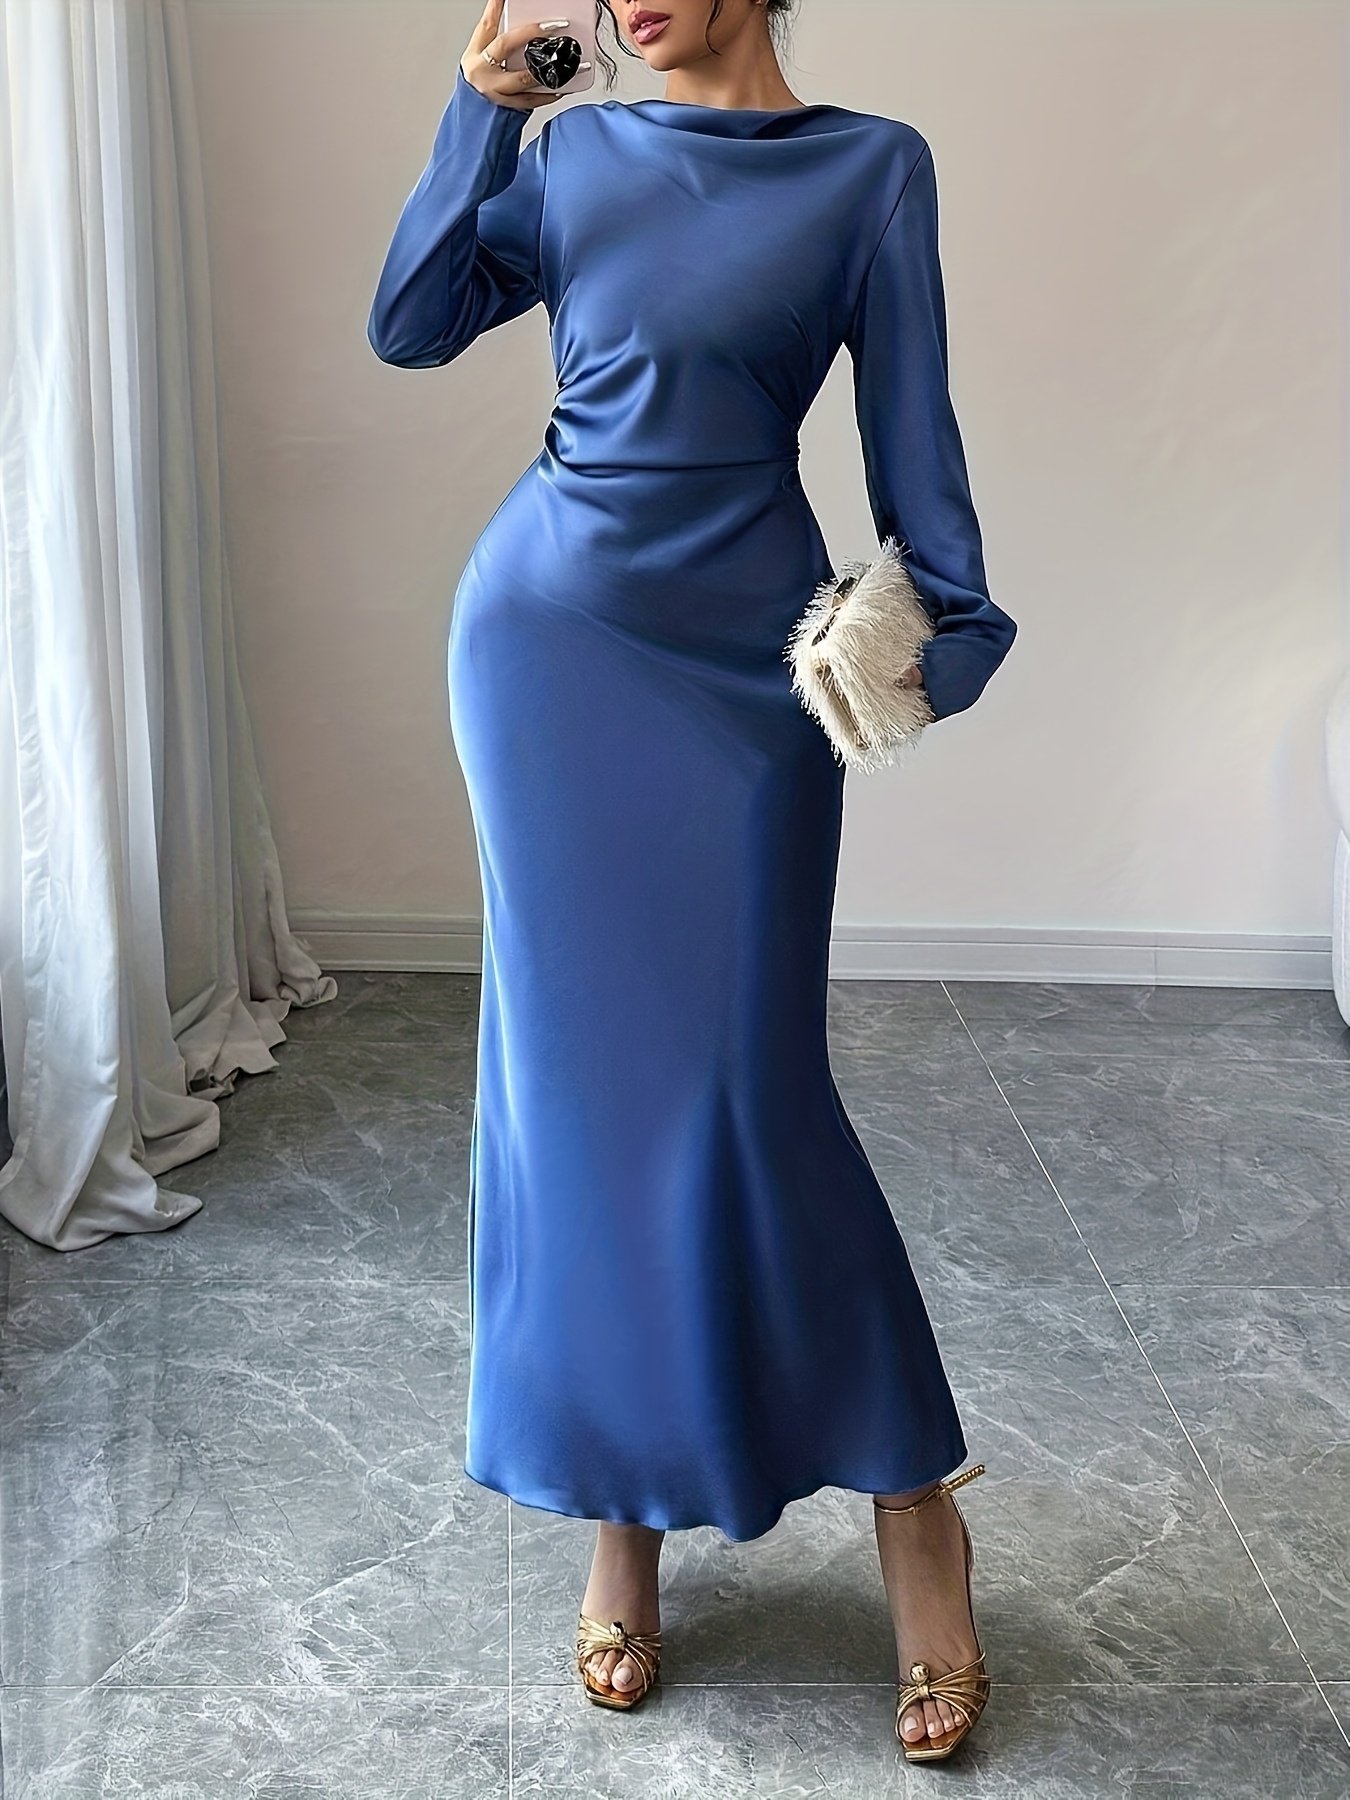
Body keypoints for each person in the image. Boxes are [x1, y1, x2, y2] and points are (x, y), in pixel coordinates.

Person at [367, 0, 1016, 1762]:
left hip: (742, 665)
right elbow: (411, 325)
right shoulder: (574, 154)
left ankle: (915, 1510)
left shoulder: (868, 170)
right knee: (581, 1108)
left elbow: (912, 428)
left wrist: (951, 631)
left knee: (749, 1093)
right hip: (548, 639)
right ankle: (621, 1526)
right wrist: (477, 116)